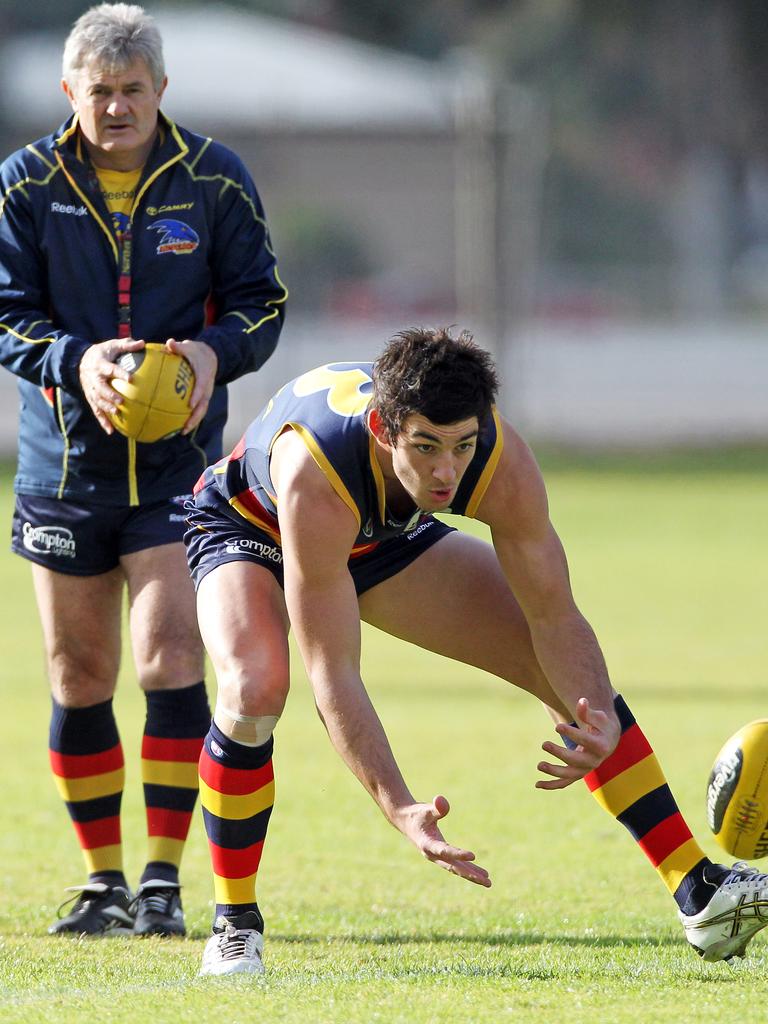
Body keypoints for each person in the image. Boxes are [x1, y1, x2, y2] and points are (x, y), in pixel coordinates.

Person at [185, 326, 768, 976]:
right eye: (425, 446)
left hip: (381, 535)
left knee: (564, 679)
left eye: (460, 446)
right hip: (251, 527)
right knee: (257, 685)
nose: (445, 471)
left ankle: (700, 892)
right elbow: (332, 671)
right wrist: (399, 805)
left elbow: (554, 612)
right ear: (383, 427)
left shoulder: (496, 457)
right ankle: (234, 923)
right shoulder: (313, 472)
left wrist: (597, 716)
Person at [0, 3, 286, 937]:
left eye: (132, 91)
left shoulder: (215, 180)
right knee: (78, 672)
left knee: (170, 660)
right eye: (99, 93)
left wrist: (210, 356)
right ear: (69, 93)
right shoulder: (26, 185)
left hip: (178, 471)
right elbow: (7, 313)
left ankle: (162, 884)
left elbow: (261, 304)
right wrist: (74, 362)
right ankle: (101, 883)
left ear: (162, 91)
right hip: (64, 466)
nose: (116, 108)